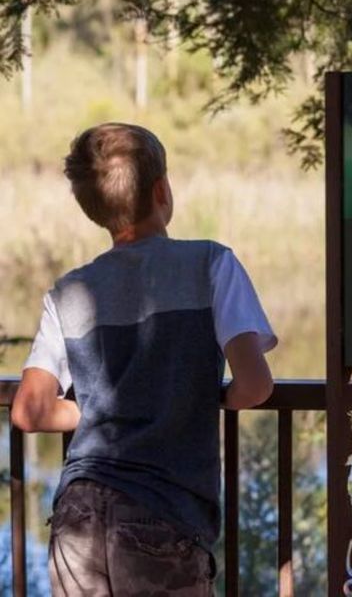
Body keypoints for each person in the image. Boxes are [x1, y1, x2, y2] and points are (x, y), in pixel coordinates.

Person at [11, 123, 277, 595]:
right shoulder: (211, 265)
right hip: (163, 511)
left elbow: (28, 411)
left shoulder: (69, 291)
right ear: (161, 191)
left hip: (78, 513)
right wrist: (200, 398)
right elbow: (255, 385)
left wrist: (92, 409)